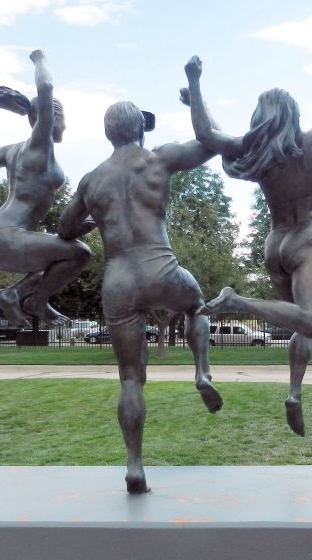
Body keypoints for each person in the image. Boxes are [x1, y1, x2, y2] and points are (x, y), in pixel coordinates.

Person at [184, 55, 312, 436]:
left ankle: (294, 394)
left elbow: (210, 137)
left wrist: (195, 88)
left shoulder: (256, 151)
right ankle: (238, 303)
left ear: (261, 117)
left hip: (276, 244)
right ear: (294, 113)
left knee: (296, 322)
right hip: (309, 236)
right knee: (311, 321)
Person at [58, 100, 222, 495]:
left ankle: (134, 465)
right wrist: (197, 93)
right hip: (160, 267)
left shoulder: (91, 180)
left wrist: (100, 217)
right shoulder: (158, 158)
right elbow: (212, 142)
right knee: (196, 305)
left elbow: (65, 229)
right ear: (140, 130)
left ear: (107, 132)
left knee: (131, 379)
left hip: (119, 278)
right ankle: (201, 371)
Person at [0, 49, 91, 328]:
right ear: (52, 117)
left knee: (54, 259)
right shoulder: (40, 144)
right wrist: (39, 59)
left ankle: (14, 295)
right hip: (5, 235)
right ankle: (35, 301)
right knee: (80, 253)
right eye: (63, 121)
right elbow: (45, 88)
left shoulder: (13, 151)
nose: (65, 128)